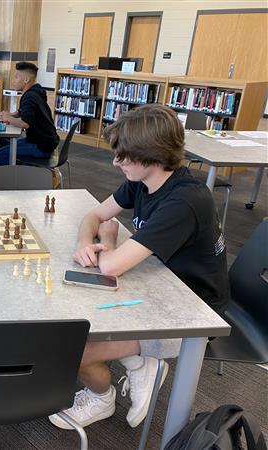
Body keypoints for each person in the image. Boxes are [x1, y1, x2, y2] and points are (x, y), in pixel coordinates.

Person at [48, 104, 229, 432]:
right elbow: (93, 215)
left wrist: (106, 238)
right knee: (74, 314)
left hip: (192, 316)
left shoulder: (183, 203)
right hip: (160, 288)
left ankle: (103, 397)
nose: (115, 162)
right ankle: (141, 361)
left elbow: (111, 266)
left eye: (124, 156)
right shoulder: (142, 180)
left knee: (70, 350)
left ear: (154, 156)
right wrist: (84, 243)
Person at [0, 62, 59, 166]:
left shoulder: (29, 97)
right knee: (2, 141)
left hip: (41, 146)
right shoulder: (36, 91)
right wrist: (11, 115)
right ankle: (2, 169)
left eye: (16, 77)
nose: (13, 81)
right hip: (45, 141)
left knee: (1, 153)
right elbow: (23, 112)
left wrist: (8, 118)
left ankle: (14, 176)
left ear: (26, 80)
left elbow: (24, 123)